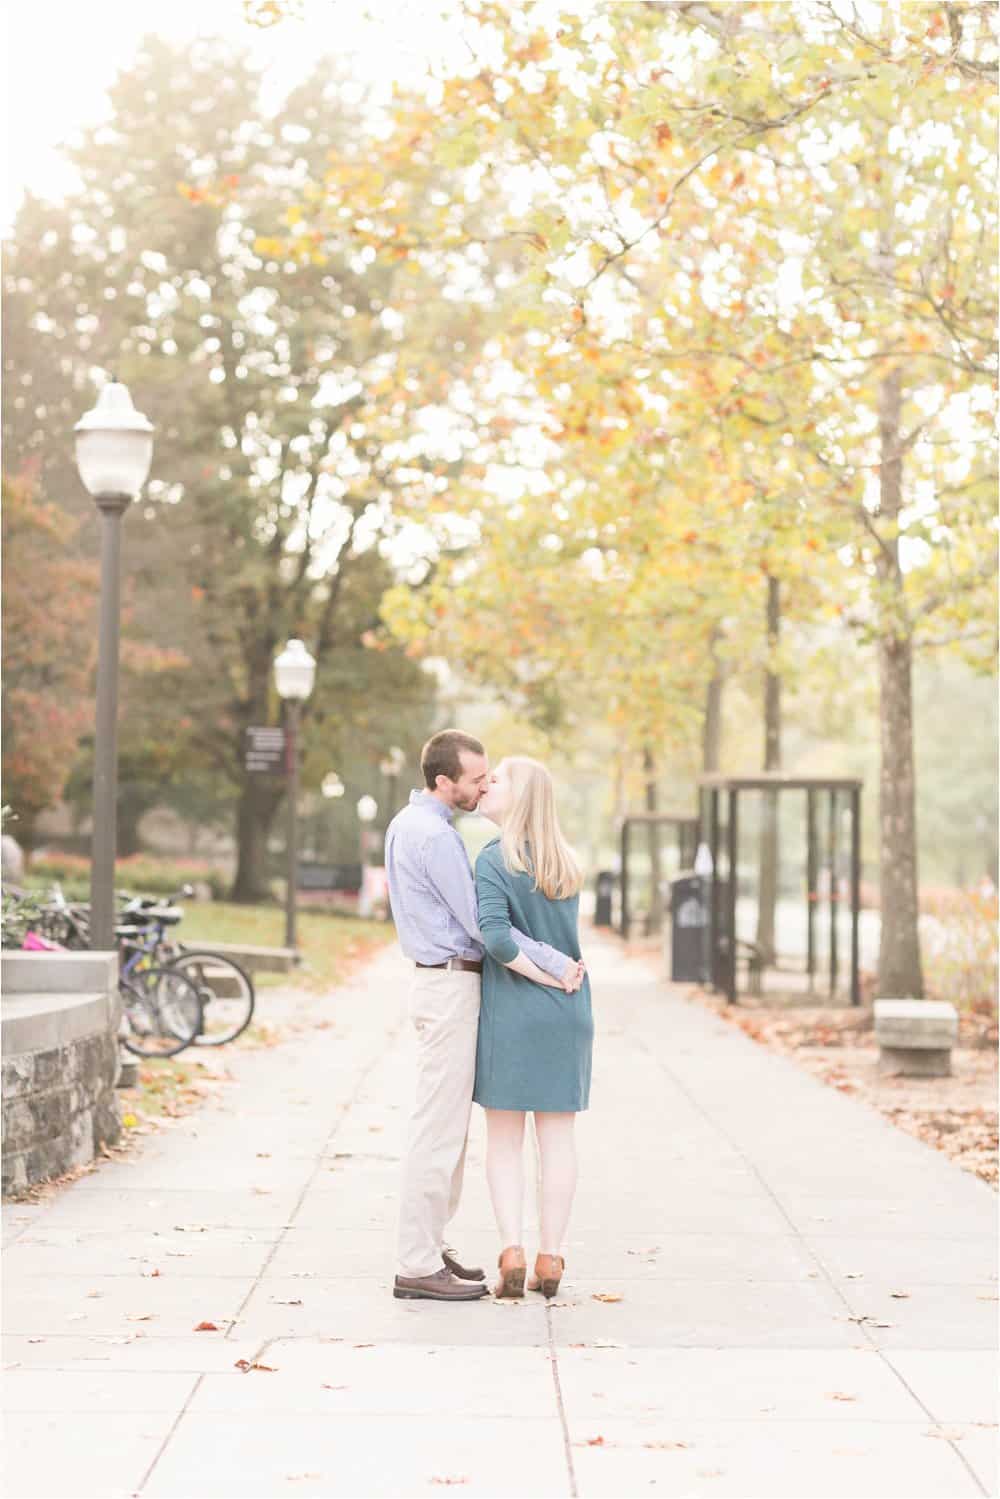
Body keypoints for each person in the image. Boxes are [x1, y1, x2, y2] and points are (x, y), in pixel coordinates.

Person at [385, 729, 585, 1303]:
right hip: (451, 985)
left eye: (491, 778)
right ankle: (418, 1261)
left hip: (444, 985)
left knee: (450, 1126)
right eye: (476, 778)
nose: (483, 785)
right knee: (439, 1129)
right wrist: (557, 962)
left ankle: (432, 1247)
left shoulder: (413, 824)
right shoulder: (443, 841)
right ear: (444, 781)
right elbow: (483, 928)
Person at [474, 756, 593, 1301]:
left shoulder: (494, 860)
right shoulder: (566, 863)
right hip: (569, 1012)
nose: (486, 784)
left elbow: (497, 940)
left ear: (518, 796)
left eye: (495, 779)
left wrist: (538, 977)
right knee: (558, 1140)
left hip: (516, 1012)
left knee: (504, 1140)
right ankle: (552, 1255)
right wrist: (557, 978)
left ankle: (511, 1248)